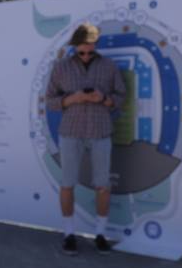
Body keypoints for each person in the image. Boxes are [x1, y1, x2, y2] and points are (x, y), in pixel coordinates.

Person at [45, 23, 126, 256]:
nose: (86, 55)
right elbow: (50, 101)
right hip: (70, 131)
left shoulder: (109, 67)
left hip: (101, 131)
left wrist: (103, 99)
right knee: (68, 183)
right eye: (81, 52)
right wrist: (74, 98)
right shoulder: (60, 68)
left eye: (90, 51)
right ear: (74, 48)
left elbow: (121, 98)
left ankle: (101, 235)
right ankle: (68, 234)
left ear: (95, 46)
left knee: (103, 185)